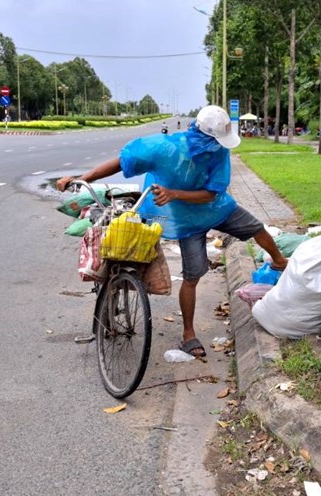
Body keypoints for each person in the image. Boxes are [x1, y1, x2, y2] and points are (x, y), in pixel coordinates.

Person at [56, 105, 288, 358]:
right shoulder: (164, 148)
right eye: (215, 141)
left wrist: (174, 193)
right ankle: (189, 335)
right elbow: (122, 163)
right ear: (202, 135)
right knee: (192, 275)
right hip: (183, 222)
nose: (218, 146)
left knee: (255, 227)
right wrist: (84, 178)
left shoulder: (218, 151)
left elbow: (212, 192)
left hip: (215, 208)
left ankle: (279, 261)